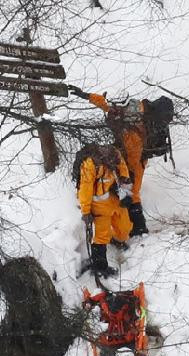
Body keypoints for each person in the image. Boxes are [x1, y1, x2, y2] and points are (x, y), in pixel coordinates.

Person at [69, 86, 150, 236]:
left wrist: (127, 175)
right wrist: (86, 95)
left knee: (133, 193)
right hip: (124, 154)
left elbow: (134, 155)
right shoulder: (117, 109)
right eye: (112, 106)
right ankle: (127, 224)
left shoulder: (134, 128)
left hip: (136, 161)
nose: (112, 109)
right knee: (127, 190)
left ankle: (139, 229)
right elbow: (103, 103)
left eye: (115, 107)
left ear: (124, 106)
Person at [76, 144, 133, 277]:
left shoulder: (115, 154)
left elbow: (123, 169)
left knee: (124, 228)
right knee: (101, 236)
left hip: (112, 197)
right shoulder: (90, 165)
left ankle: (117, 239)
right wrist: (86, 211)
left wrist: (125, 187)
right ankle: (100, 267)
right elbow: (85, 189)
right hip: (97, 201)